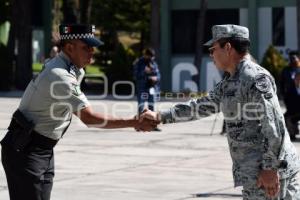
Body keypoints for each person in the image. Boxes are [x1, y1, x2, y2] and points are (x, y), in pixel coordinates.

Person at [141, 25, 300, 199]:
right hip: (255, 175)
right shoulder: (230, 81)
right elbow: (202, 105)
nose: (211, 55)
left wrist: (270, 168)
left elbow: (274, 125)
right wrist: (161, 116)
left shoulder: (254, 78)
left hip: (271, 176)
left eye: (213, 49)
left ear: (228, 48)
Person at [0, 24, 156, 200]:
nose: (92, 51)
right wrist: (135, 121)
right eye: (86, 47)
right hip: (26, 151)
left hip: (41, 149)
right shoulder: (60, 75)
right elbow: (89, 118)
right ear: (69, 47)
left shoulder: (69, 67)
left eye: (92, 47)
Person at [133, 47, 161, 131]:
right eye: (149, 56)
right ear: (145, 55)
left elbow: (158, 74)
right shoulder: (139, 63)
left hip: (152, 88)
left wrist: (156, 78)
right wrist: (144, 72)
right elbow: (135, 75)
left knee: (151, 107)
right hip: (142, 88)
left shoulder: (153, 63)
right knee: (141, 107)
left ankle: (153, 126)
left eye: (152, 57)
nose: (151, 58)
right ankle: (138, 125)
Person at [281, 51, 300, 140]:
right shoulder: (286, 70)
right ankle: (292, 133)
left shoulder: (299, 69)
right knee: (289, 117)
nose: (293, 61)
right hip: (291, 98)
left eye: (295, 59)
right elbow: (281, 83)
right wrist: (283, 95)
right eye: (291, 59)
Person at [284, 71, 300, 141]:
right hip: (293, 111)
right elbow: (287, 100)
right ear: (294, 79)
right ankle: (292, 133)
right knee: (286, 117)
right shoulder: (290, 89)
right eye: (297, 79)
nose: (298, 81)